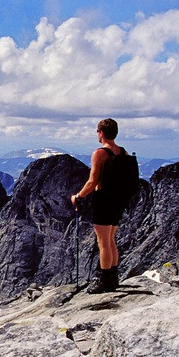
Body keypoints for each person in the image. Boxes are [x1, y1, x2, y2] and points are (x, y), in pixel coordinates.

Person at [70, 118, 126, 293]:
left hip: (103, 199)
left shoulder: (100, 153)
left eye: (97, 131)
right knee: (110, 239)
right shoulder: (122, 152)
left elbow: (92, 181)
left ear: (101, 133)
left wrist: (77, 196)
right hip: (118, 199)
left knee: (103, 242)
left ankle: (104, 281)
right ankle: (114, 277)